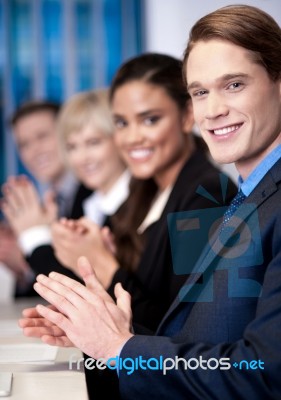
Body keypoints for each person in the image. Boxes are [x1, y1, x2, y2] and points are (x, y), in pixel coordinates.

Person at [26, 29, 281, 399]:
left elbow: (185, 336)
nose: (132, 137)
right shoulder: (141, 193)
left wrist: (113, 331)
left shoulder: (205, 195)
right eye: (121, 123)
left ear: (183, 119)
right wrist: (98, 335)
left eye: (149, 119)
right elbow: (186, 331)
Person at [1, 100, 92, 290]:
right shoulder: (52, 203)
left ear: (66, 134)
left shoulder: (94, 194)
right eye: (24, 144)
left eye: (42, 136)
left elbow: (85, 283)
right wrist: (22, 266)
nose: (34, 150)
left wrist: (32, 241)